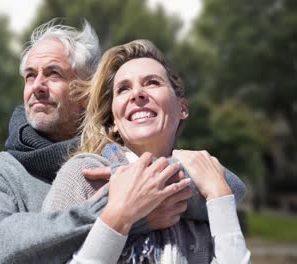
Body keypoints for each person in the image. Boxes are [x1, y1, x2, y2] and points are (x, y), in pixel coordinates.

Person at [0, 19, 221, 264]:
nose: (37, 86)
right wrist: (125, 211)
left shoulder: (120, 155)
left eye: (53, 74)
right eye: (30, 76)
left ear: (86, 92)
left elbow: (227, 184)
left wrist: (140, 186)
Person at [42, 39, 250, 263]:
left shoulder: (204, 181)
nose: (137, 94)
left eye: (152, 82)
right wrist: (119, 216)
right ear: (112, 121)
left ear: (182, 108)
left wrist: (219, 194)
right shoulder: (82, 175)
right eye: (123, 89)